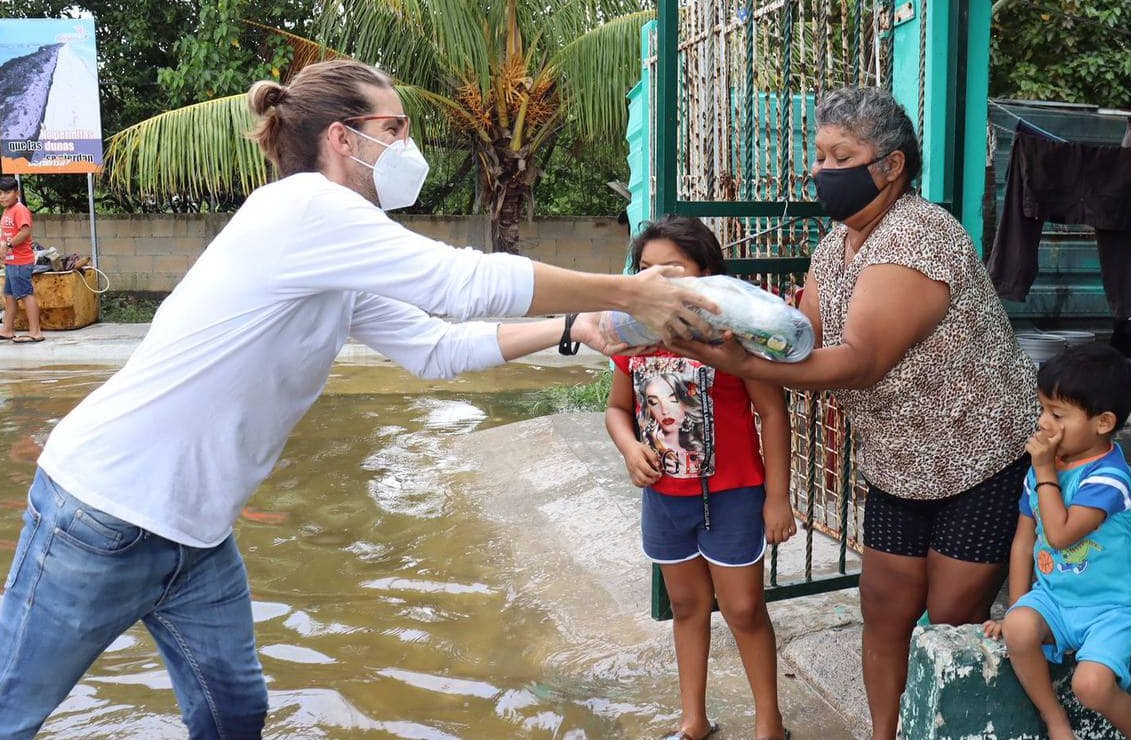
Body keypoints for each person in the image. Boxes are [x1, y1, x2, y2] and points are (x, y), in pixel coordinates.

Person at [0, 60, 719, 738]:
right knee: (13, 707)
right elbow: (461, 283)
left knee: (234, 713)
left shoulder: (334, 254)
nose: (409, 145)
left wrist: (572, 327)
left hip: (197, 530)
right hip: (102, 512)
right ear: (343, 138)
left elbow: (434, 347)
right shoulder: (304, 209)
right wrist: (628, 292)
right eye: (394, 128)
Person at [667, 86, 1039, 740]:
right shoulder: (834, 246)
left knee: (950, 624)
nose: (822, 170)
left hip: (977, 459)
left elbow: (861, 360)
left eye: (841, 156)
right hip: (896, 463)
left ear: (891, 167)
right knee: (884, 613)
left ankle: (936, 730)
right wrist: (733, 324)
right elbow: (801, 342)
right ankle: (883, 734)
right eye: (819, 155)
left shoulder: (918, 235)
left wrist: (745, 365)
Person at [605, 215, 795, 740]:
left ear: (706, 273)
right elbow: (617, 410)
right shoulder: (636, 340)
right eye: (646, 268)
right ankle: (694, 721)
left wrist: (778, 497)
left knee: (744, 609)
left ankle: (769, 725)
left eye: (673, 268)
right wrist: (629, 448)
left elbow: (773, 413)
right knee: (687, 606)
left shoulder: (735, 339)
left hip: (733, 495)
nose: (657, 279)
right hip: (665, 499)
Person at [983, 344, 1131, 740]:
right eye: (1043, 409)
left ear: (1103, 423)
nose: (1043, 423)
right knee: (1019, 627)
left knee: (1091, 687)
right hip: (1054, 600)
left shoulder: (1108, 477)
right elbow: (1024, 541)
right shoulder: (1041, 472)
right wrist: (1017, 607)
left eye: (1057, 415)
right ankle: (1054, 719)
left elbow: (1058, 535)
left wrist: (1044, 471)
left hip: (1107, 609)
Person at [0, 176, 43, 343]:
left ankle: (35, 332)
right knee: (10, 296)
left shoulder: (20, 210)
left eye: (7, 192)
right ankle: (7, 330)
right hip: (11, 262)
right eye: (0, 193)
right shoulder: (7, 210)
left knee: (25, 295)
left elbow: (25, 232)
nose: (3, 196)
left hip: (21, 262)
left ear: (17, 193)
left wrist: (8, 245)